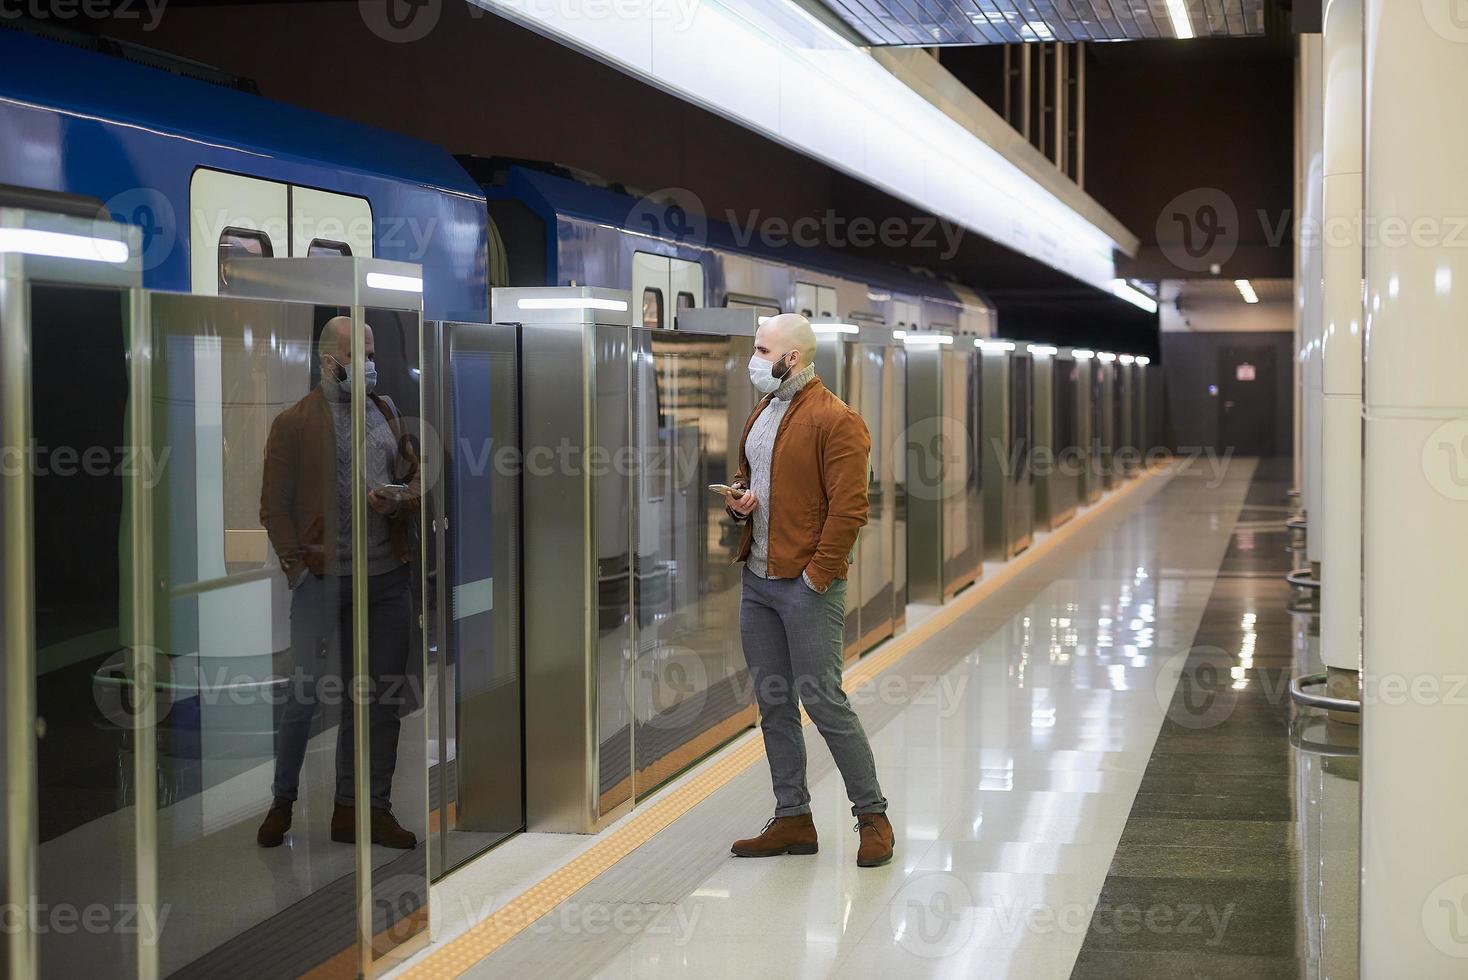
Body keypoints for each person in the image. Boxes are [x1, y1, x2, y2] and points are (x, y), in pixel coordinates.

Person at [722, 312, 894, 868]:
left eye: (762, 350)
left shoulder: (837, 420)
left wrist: (818, 574)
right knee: (774, 701)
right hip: (758, 581)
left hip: (805, 585)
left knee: (823, 701)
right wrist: (741, 501)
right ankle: (792, 816)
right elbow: (761, 481)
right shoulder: (764, 411)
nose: (755, 359)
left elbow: (850, 510)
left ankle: (872, 816)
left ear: (790, 357)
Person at [255, 316, 420, 850]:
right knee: (304, 694)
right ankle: (283, 802)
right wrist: (298, 570)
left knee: (379, 697)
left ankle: (363, 808)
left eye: (372, 352)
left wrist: (399, 498)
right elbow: (273, 507)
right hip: (322, 582)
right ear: (330, 361)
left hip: (385, 580)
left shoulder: (387, 412)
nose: (370, 364)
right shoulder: (294, 423)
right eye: (360, 354)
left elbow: (415, 477)